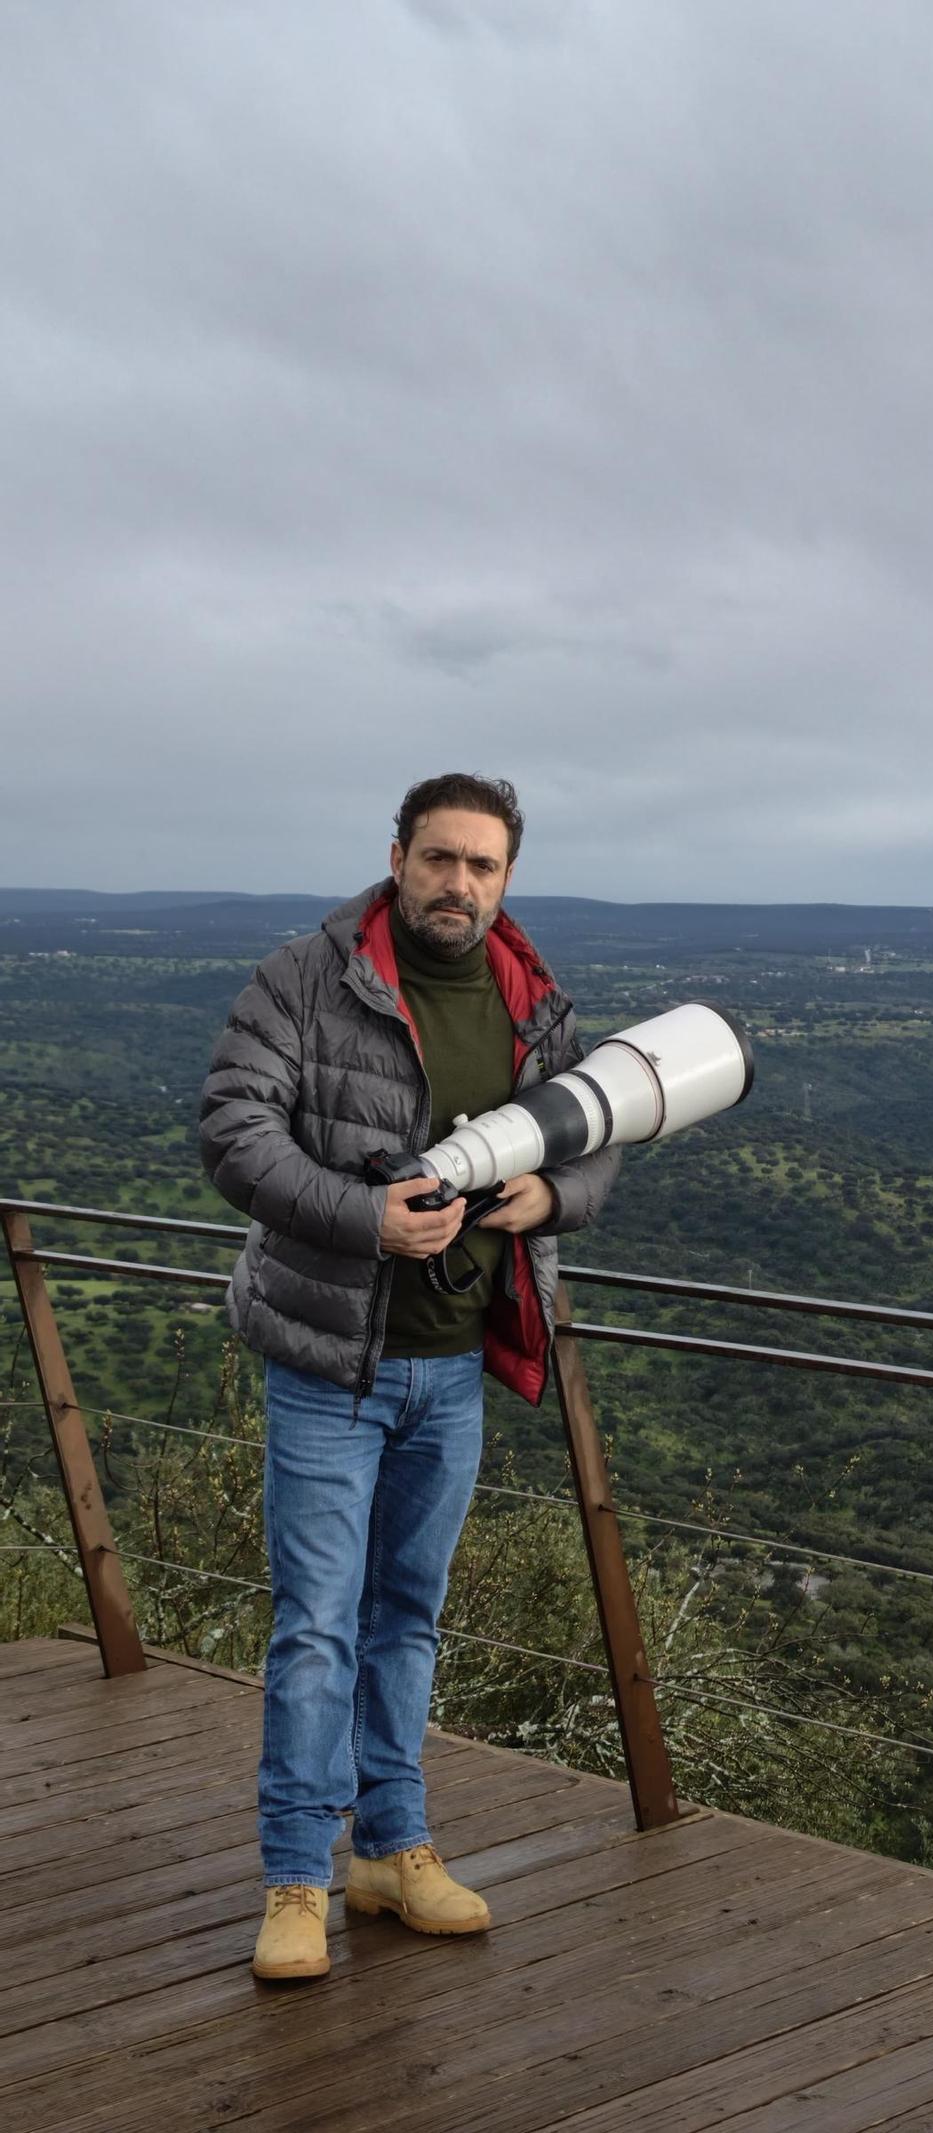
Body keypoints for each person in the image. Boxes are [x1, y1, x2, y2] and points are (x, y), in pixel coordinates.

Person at [198, 772, 620, 1981]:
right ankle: (295, 1878)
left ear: (507, 877)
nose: (460, 884)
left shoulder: (532, 998)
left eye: (483, 866)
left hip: (455, 1369)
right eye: (440, 859)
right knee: (318, 1627)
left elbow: (595, 1140)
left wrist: (559, 1196)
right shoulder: (308, 976)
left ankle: (392, 1849)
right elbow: (235, 1134)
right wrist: (363, 1218)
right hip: (334, 1360)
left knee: (406, 1622)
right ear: (397, 856)